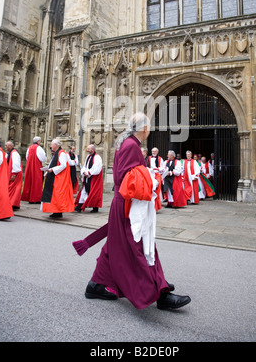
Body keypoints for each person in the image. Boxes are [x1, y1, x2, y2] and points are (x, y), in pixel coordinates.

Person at [77, 113, 191, 310]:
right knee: (140, 247)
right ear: (144, 129)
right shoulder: (132, 146)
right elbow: (132, 180)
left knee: (115, 246)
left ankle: (96, 285)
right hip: (129, 205)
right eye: (149, 127)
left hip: (122, 203)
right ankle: (158, 293)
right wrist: (153, 180)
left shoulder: (126, 144)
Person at [41, 138, 74, 218]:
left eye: (51, 144)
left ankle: (58, 212)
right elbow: (52, 163)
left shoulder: (61, 153)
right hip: (54, 176)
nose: (50, 146)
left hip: (59, 178)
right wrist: (47, 171)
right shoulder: (57, 153)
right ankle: (55, 211)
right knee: (54, 195)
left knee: (57, 195)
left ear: (56, 145)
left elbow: (63, 165)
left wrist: (52, 169)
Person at [74, 144, 103, 213]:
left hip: (93, 178)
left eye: (88, 149)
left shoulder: (97, 157)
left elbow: (96, 168)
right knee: (84, 191)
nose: (87, 150)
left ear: (92, 150)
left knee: (93, 192)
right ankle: (79, 207)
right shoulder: (88, 157)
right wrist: (83, 172)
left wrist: (88, 173)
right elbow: (85, 166)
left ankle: (95, 208)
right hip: (87, 177)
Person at [21, 136, 47, 203]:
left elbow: (27, 157)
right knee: (37, 182)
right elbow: (43, 158)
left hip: (29, 166)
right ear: (38, 141)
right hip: (36, 166)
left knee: (30, 181)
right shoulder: (39, 148)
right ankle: (36, 198)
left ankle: (29, 197)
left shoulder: (29, 148)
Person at [5, 140, 23, 210]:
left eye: (6, 146)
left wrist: (14, 173)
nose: (5, 147)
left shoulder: (14, 153)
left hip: (15, 173)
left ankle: (13, 204)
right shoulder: (11, 153)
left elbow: (16, 164)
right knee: (12, 188)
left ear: (10, 146)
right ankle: (12, 203)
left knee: (14, 189)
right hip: (12, 172)